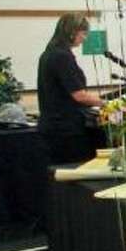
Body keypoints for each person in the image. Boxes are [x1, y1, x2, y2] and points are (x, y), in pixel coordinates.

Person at [37, 13, 105, 164]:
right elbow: (79, 95)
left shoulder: (48, 53)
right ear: (72, 31)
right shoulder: (62, 57)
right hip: (65, 130)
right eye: (84, 33)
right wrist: (106, 103)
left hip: (52, 126)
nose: (85, 38)